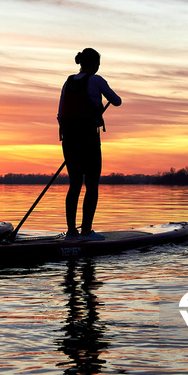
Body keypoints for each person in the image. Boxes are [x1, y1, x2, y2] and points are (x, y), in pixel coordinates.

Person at [57, 48, 121, 240]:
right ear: (93, 64)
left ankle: (71, 232)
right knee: (92, 185)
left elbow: (60, 114)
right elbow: (117, 101)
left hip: (68, 139)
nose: (98, 67)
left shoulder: (67, 82)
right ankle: (86, 231)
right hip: (88, 139)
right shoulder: (96, 80)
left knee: (74, 184)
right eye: (98, 64)